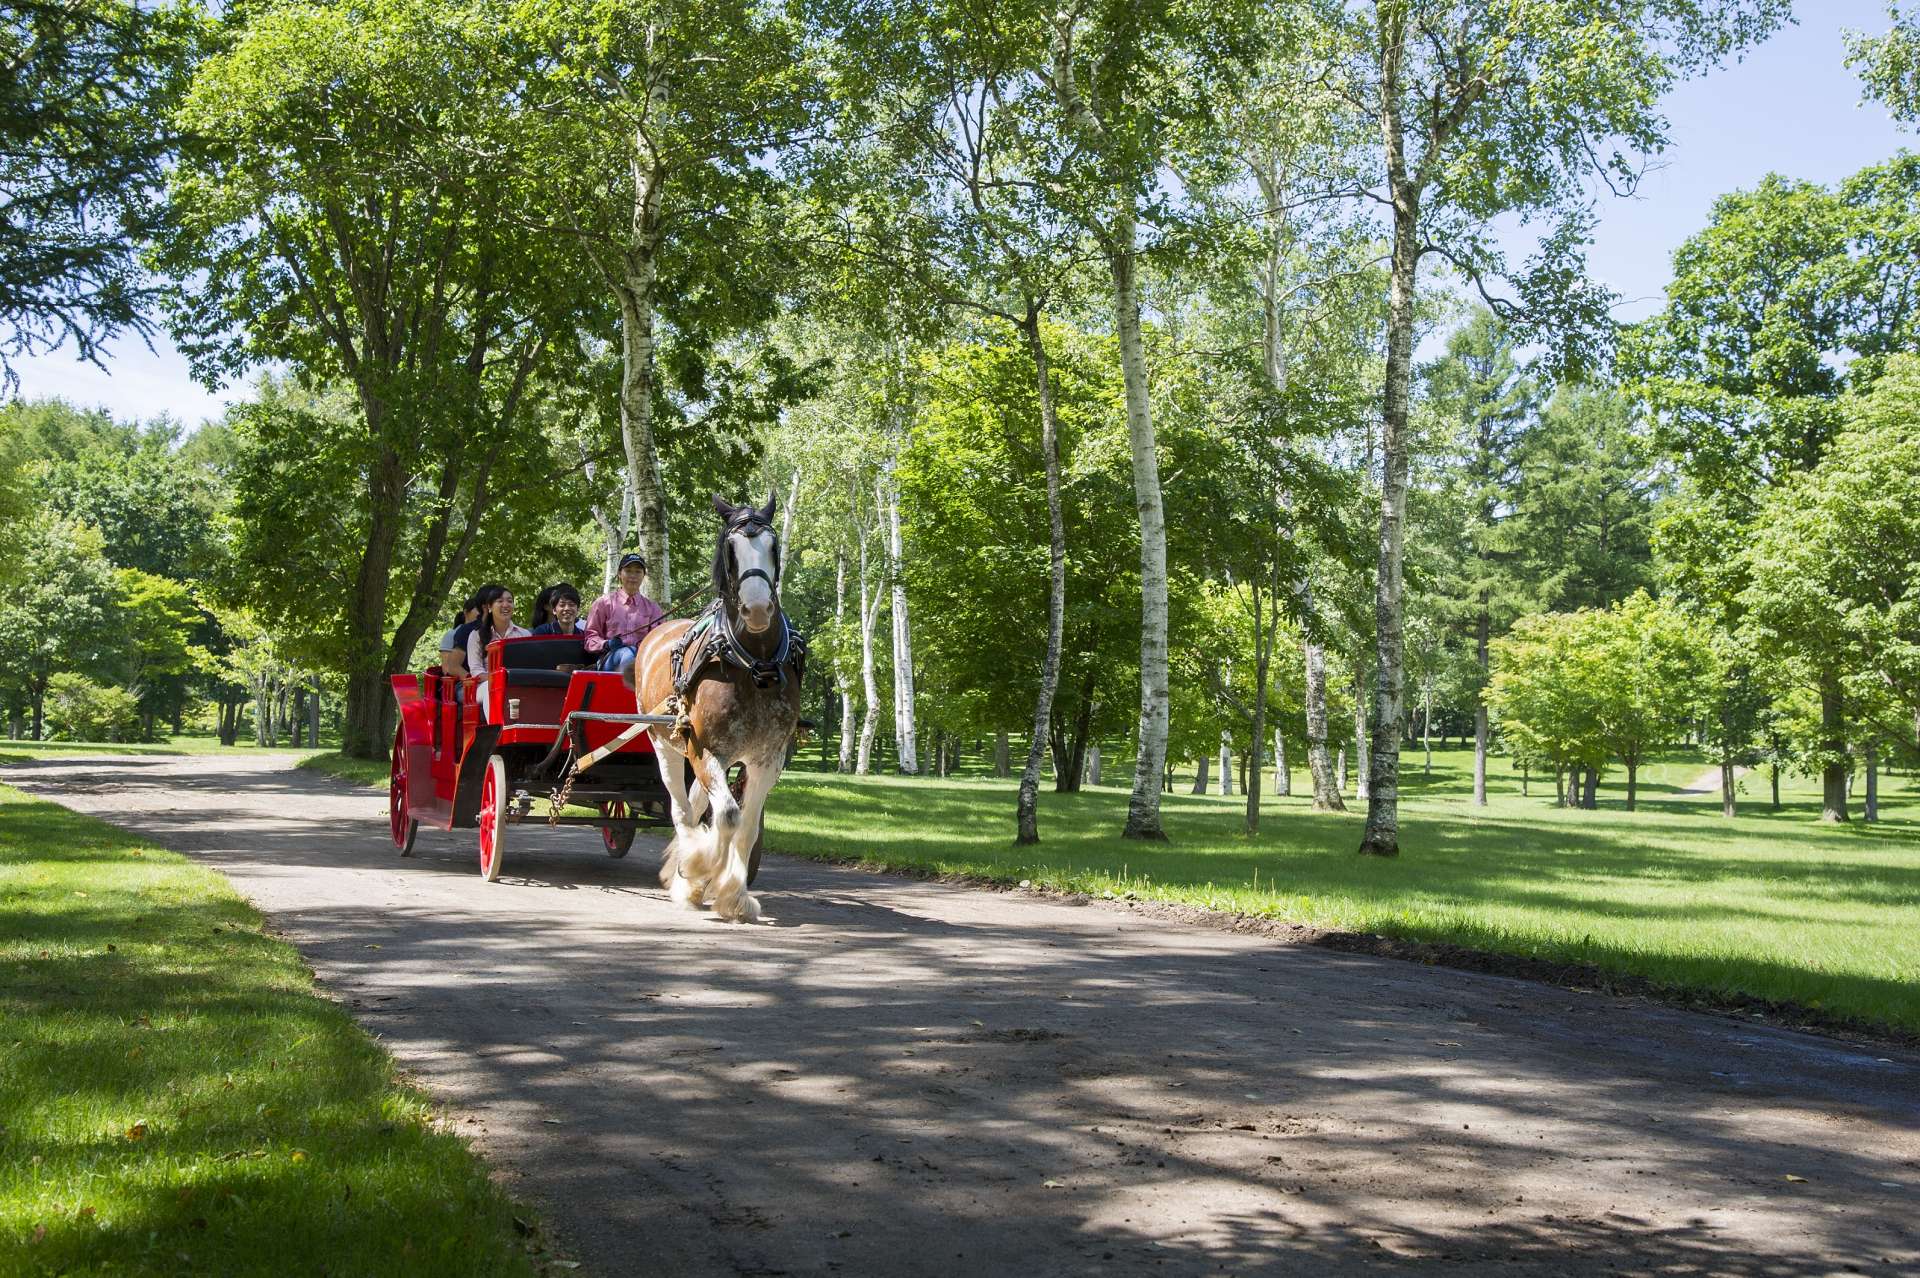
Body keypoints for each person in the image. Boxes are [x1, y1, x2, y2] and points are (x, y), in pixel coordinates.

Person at [584, 553, 663, 675]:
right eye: (628, 571)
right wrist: (606, 644)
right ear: (620, 574)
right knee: (628, 653)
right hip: (609, 661)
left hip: (643, 660)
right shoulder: (603, 604)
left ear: (644, 576)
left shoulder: (653, 608)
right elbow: (590, 638)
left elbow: (657, 641)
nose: (633, 576)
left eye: (638, 571)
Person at [465, 584, 530, 679]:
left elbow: (529, 666)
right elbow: (476, 671)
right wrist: (499, 680)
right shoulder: (476, 635)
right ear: (489, 607)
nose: (506, 605)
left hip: (518, 685)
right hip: (487, 685)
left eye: (510, 601)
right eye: (500, 601)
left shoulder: (525, 635)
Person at [531, 582, 587, 673]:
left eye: (571, 604)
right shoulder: (542, 632)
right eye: (562, 605)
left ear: (578, 609)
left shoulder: (583, 636)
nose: (567, 608)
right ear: (554, 610)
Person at [438, 594, 481, 678]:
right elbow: (446, 668)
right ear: (466, 612)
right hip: (460, 683)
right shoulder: (451, 634)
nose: (481, 613)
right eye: (478, 609)